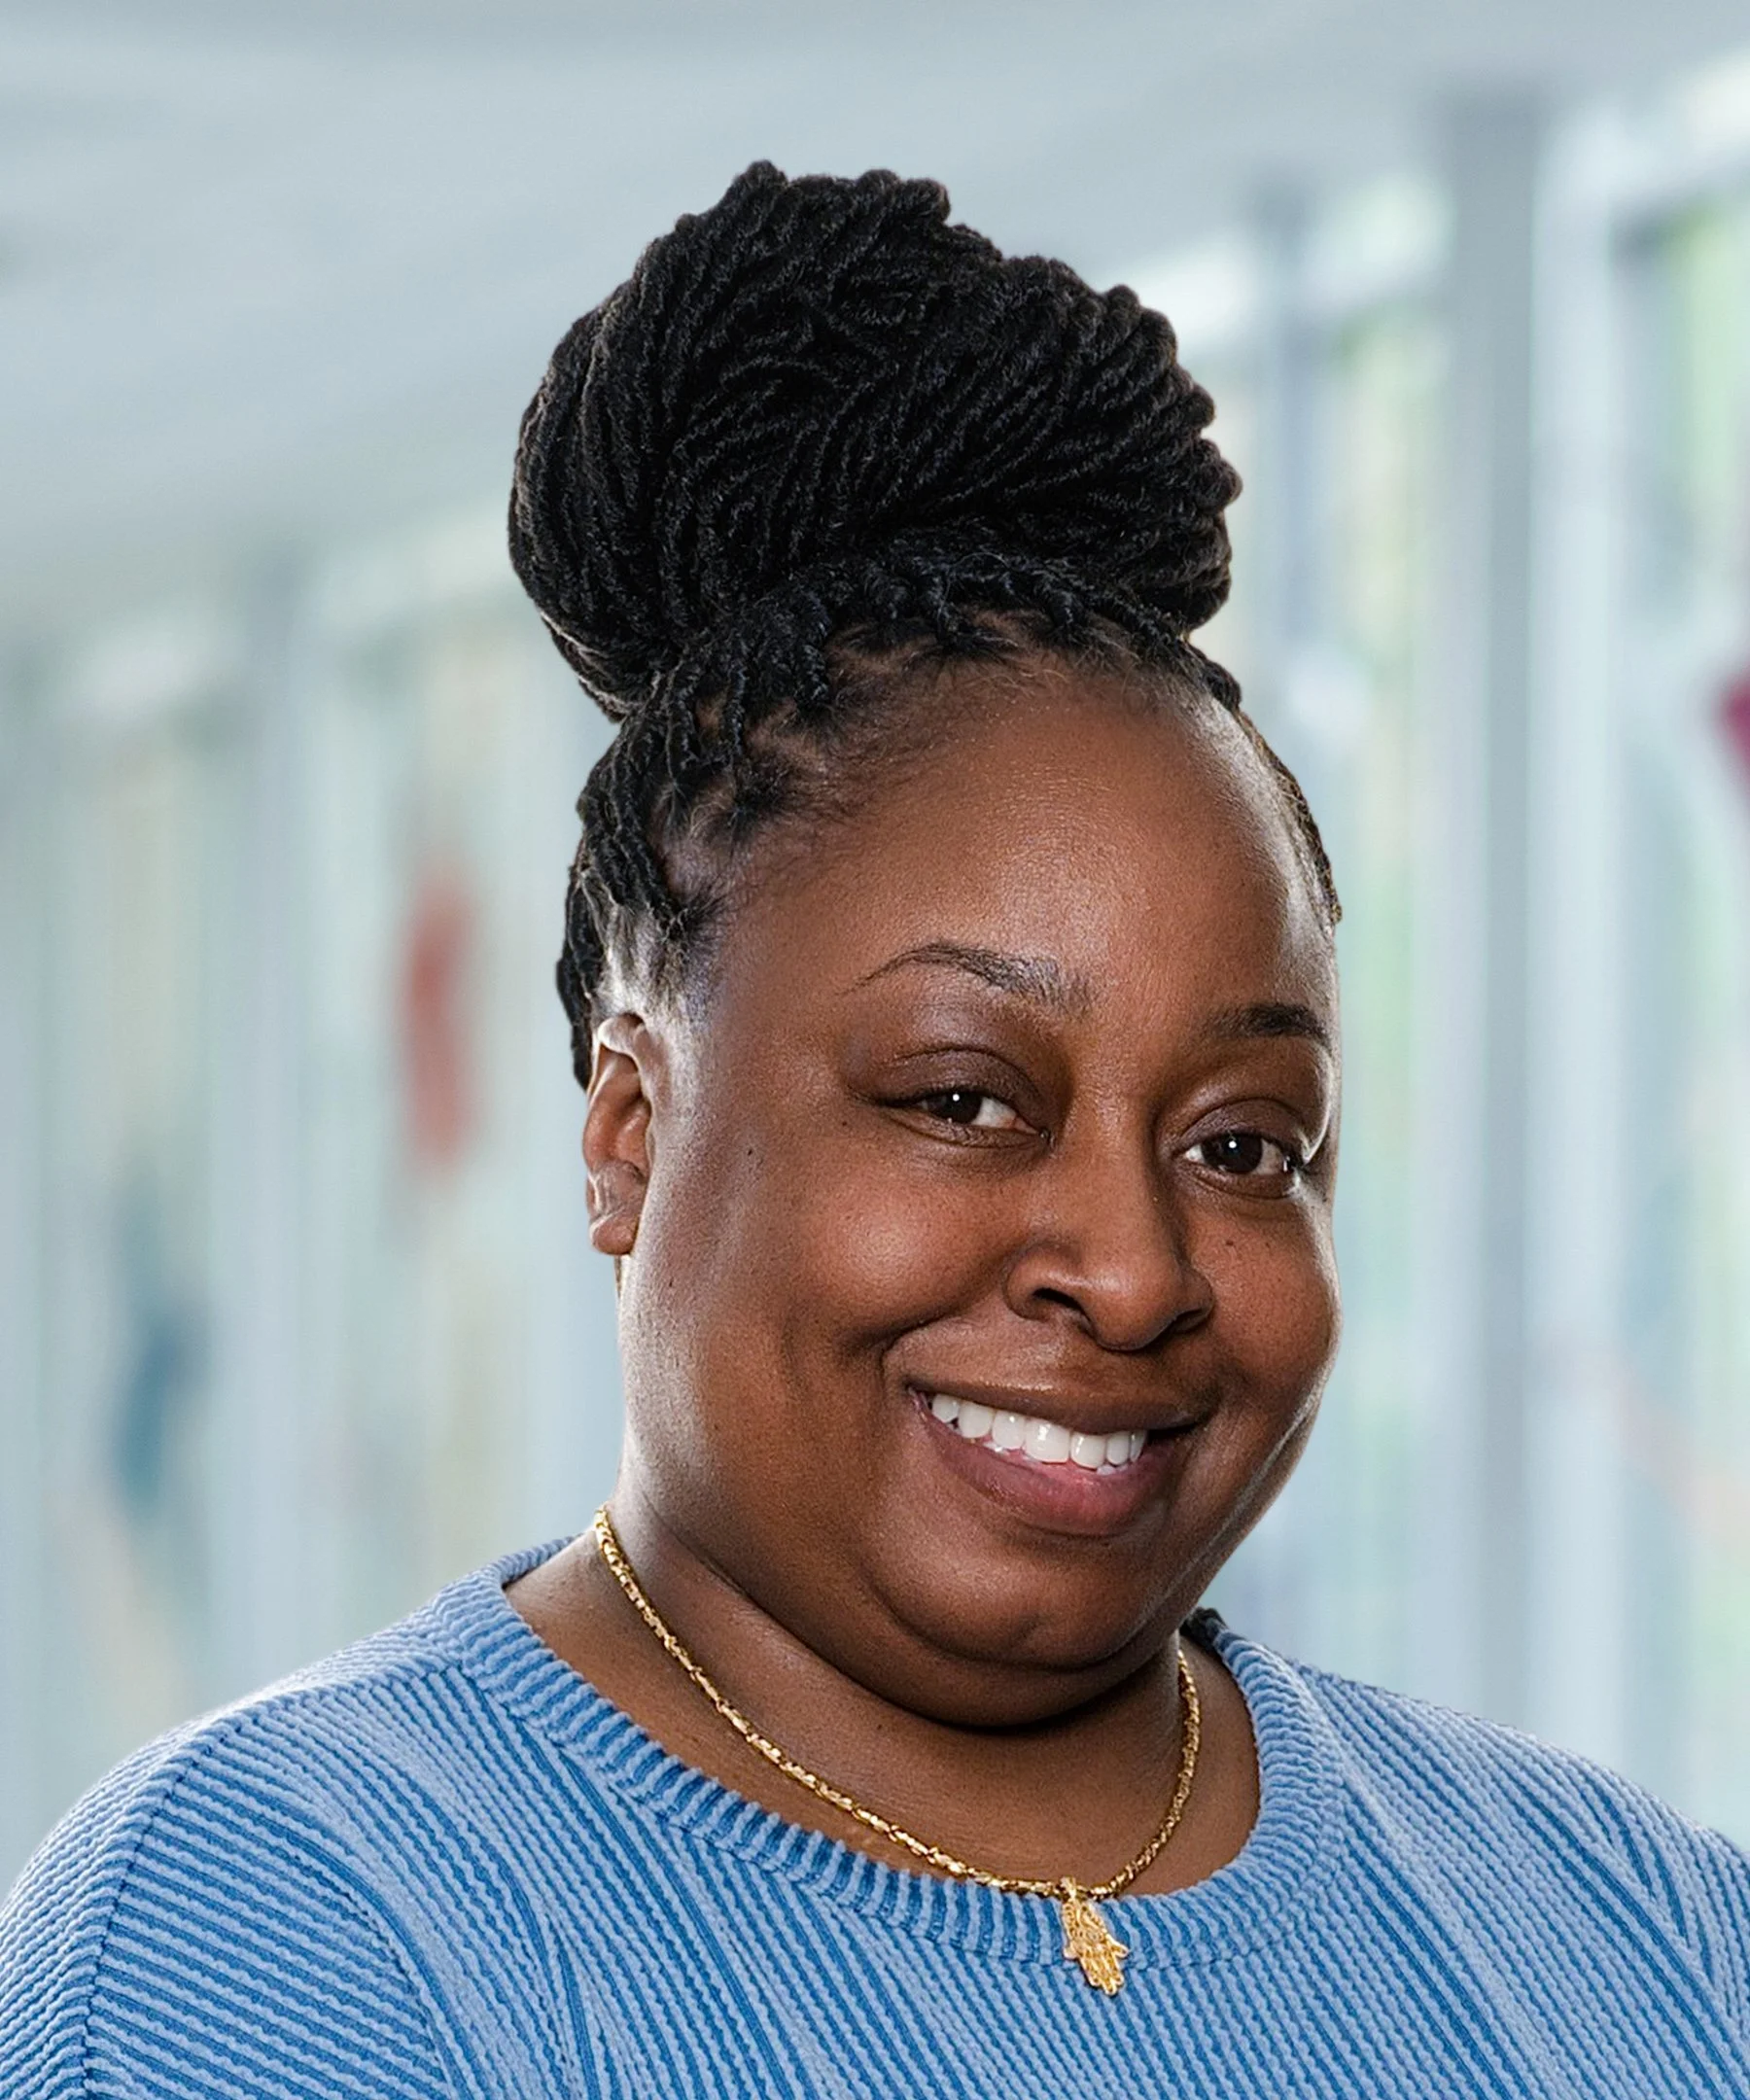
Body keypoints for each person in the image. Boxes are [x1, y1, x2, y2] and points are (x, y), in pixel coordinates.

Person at [3, 161, 1748, 2099]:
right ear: (628, 1129)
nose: (1134, 1271)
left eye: (1244, 1145)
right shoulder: (287, 1928)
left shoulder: (1645, 1934)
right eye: (963, 1099)